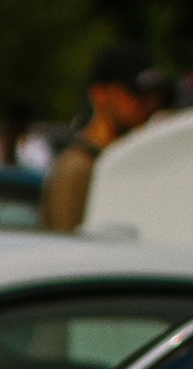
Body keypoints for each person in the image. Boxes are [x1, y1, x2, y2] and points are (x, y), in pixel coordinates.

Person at [43, 42, 164, 231]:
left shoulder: (128, 159)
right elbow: (68, 244)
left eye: (154, 95)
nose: (150, 103)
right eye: (135, 93)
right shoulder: (79, 167)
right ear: (99, 94)